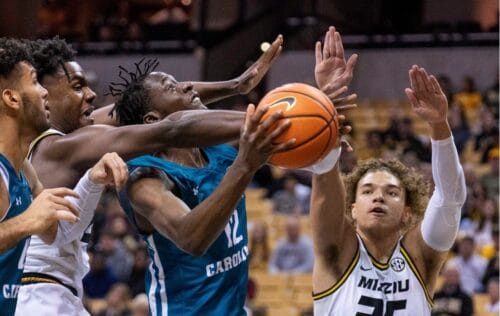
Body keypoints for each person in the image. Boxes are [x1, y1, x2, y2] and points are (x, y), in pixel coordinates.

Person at [16, 34, 284, 316]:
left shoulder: (58, 142)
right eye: (77, 86)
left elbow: (148, 106)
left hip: (51, 292)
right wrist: (273, 119)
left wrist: (235, 86)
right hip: (40, 296)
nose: (92, 94)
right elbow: (169, 127)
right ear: (43, 93)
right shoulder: (59, 148)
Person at [116, 26, 357, 315]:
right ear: (152, 119)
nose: (189, 86)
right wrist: (244, 166)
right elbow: (191, 238)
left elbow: (303, 151)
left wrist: (323, 106)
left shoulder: (220, 149)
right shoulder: (144, 179)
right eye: (172, 88)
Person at [310, 65, 467, 315]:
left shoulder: (419, 259)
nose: (379, 196)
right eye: (368, 191)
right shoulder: (338, 253)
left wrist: (439, 126)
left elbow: (452, 197)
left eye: (392, 192)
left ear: (407, 212)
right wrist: (328, 105)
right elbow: (325, 177)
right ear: (352, 208)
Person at [0, 38, 128, 315]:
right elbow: (30, 224)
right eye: (35, 83)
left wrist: (92, 181)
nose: (44, 92)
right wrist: (25, 222)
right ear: (11, 98)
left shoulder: (23, 169)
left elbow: (59, 234)